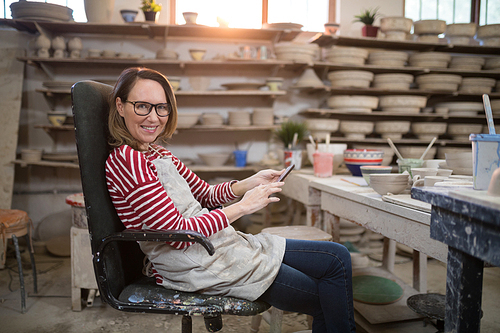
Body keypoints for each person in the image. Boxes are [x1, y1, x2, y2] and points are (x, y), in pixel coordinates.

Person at [105, 67, 356, 333]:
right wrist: (244, 206)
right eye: (142, 106)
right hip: (195, 262)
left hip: (216, 246)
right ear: (120, 107)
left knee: (337, 257)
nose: (153, 118)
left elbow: (205, 194)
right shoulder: (127, 160)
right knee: (325, 299)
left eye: (161, 108)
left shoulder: (157, 152)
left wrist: (250, 182)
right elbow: (176, 234)